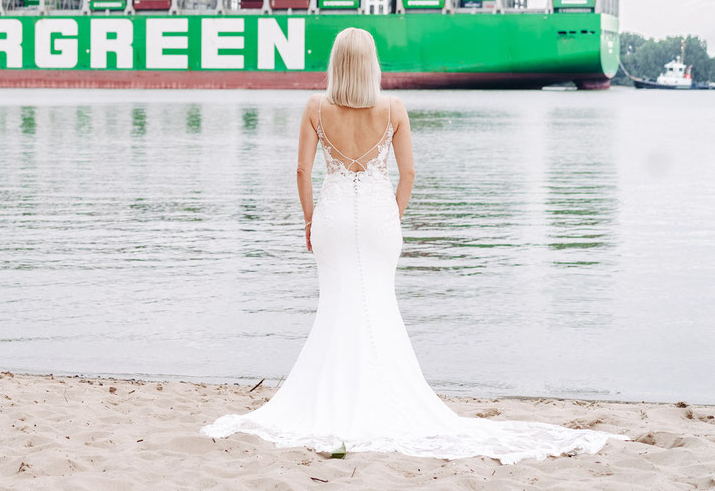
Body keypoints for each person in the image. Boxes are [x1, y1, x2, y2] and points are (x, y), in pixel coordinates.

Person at [200, 28, 628, 464]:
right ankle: (383, 392)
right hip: (378, 216)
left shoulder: (315, 107)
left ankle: (336, 392)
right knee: (378, 306)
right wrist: (392, 216)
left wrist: (309, 220)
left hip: (331, 216)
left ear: (336, 64)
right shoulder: (394, 108)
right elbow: (408, 175)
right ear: (370, 65)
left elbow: (300, 171)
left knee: (337, 305)